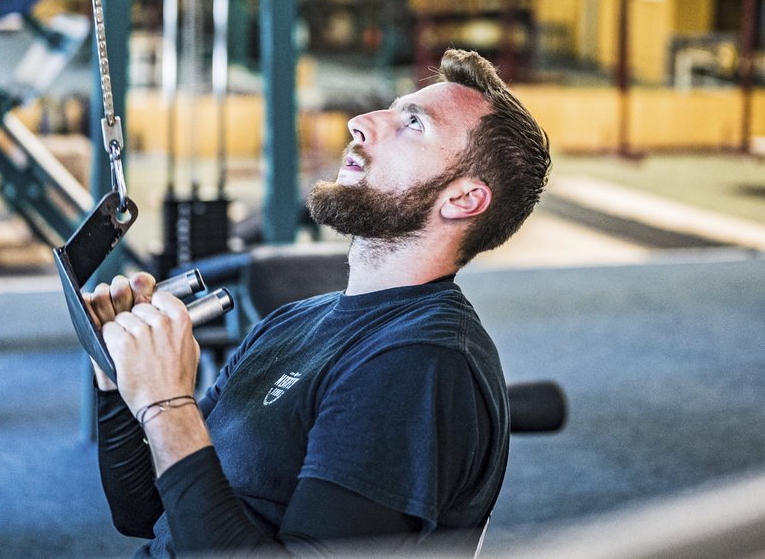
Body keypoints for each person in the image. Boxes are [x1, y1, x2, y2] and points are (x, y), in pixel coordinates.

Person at [85, 48, 551, 556]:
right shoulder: (291, 322)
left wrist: (167, 403)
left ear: (462, 199)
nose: (360, 123)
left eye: (413, 124)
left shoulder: (420, 362)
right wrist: (119, 380)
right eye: (391, 110)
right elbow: (143, 512)